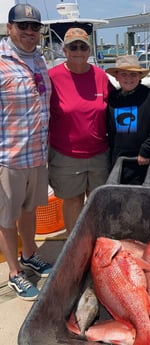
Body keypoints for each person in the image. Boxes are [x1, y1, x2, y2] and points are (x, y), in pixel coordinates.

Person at [0, 3, 52, 301]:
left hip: (37, 155)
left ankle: (30, 252)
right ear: (10, 29)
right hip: (8, 157)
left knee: (29, 209)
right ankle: (14, 272)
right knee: (5, 218)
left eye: (35, 27)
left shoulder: (39, 61)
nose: (30, 32)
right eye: (23, 26)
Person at [48, 27, 114, 234]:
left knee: (99, 202)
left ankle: (97, 246)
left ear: (89, 50)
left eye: (82, 46)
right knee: (73, 202)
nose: (78, 50)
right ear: (64, 50)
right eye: (72, 46)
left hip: (99, 154)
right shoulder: (52, 77)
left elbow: (115, 107)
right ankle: (74, 245)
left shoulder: (101, 76)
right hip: (66, 156)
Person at [106, 55, 150, 184]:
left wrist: (147, 150)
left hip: (145, 163)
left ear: (140, 76)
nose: (128, 78)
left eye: (133, 74)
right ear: (116, 77)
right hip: (119, 164)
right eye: (124, 74)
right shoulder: (112, 99)